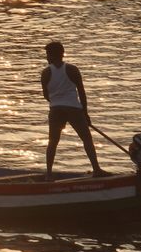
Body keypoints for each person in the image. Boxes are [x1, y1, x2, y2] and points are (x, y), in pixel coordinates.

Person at [40, 40, 107, 181]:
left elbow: (46, 95)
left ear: (52, 56)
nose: (46, 58)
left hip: (55, 109)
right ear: (62, 54)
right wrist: (85, 113)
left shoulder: (45, 73)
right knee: (87, 139)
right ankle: (97, 169)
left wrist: (57, 104)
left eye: (47, 55)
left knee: (53, 141)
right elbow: (82, 92)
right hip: (74, 108)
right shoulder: (72, 69)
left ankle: (49, 174)